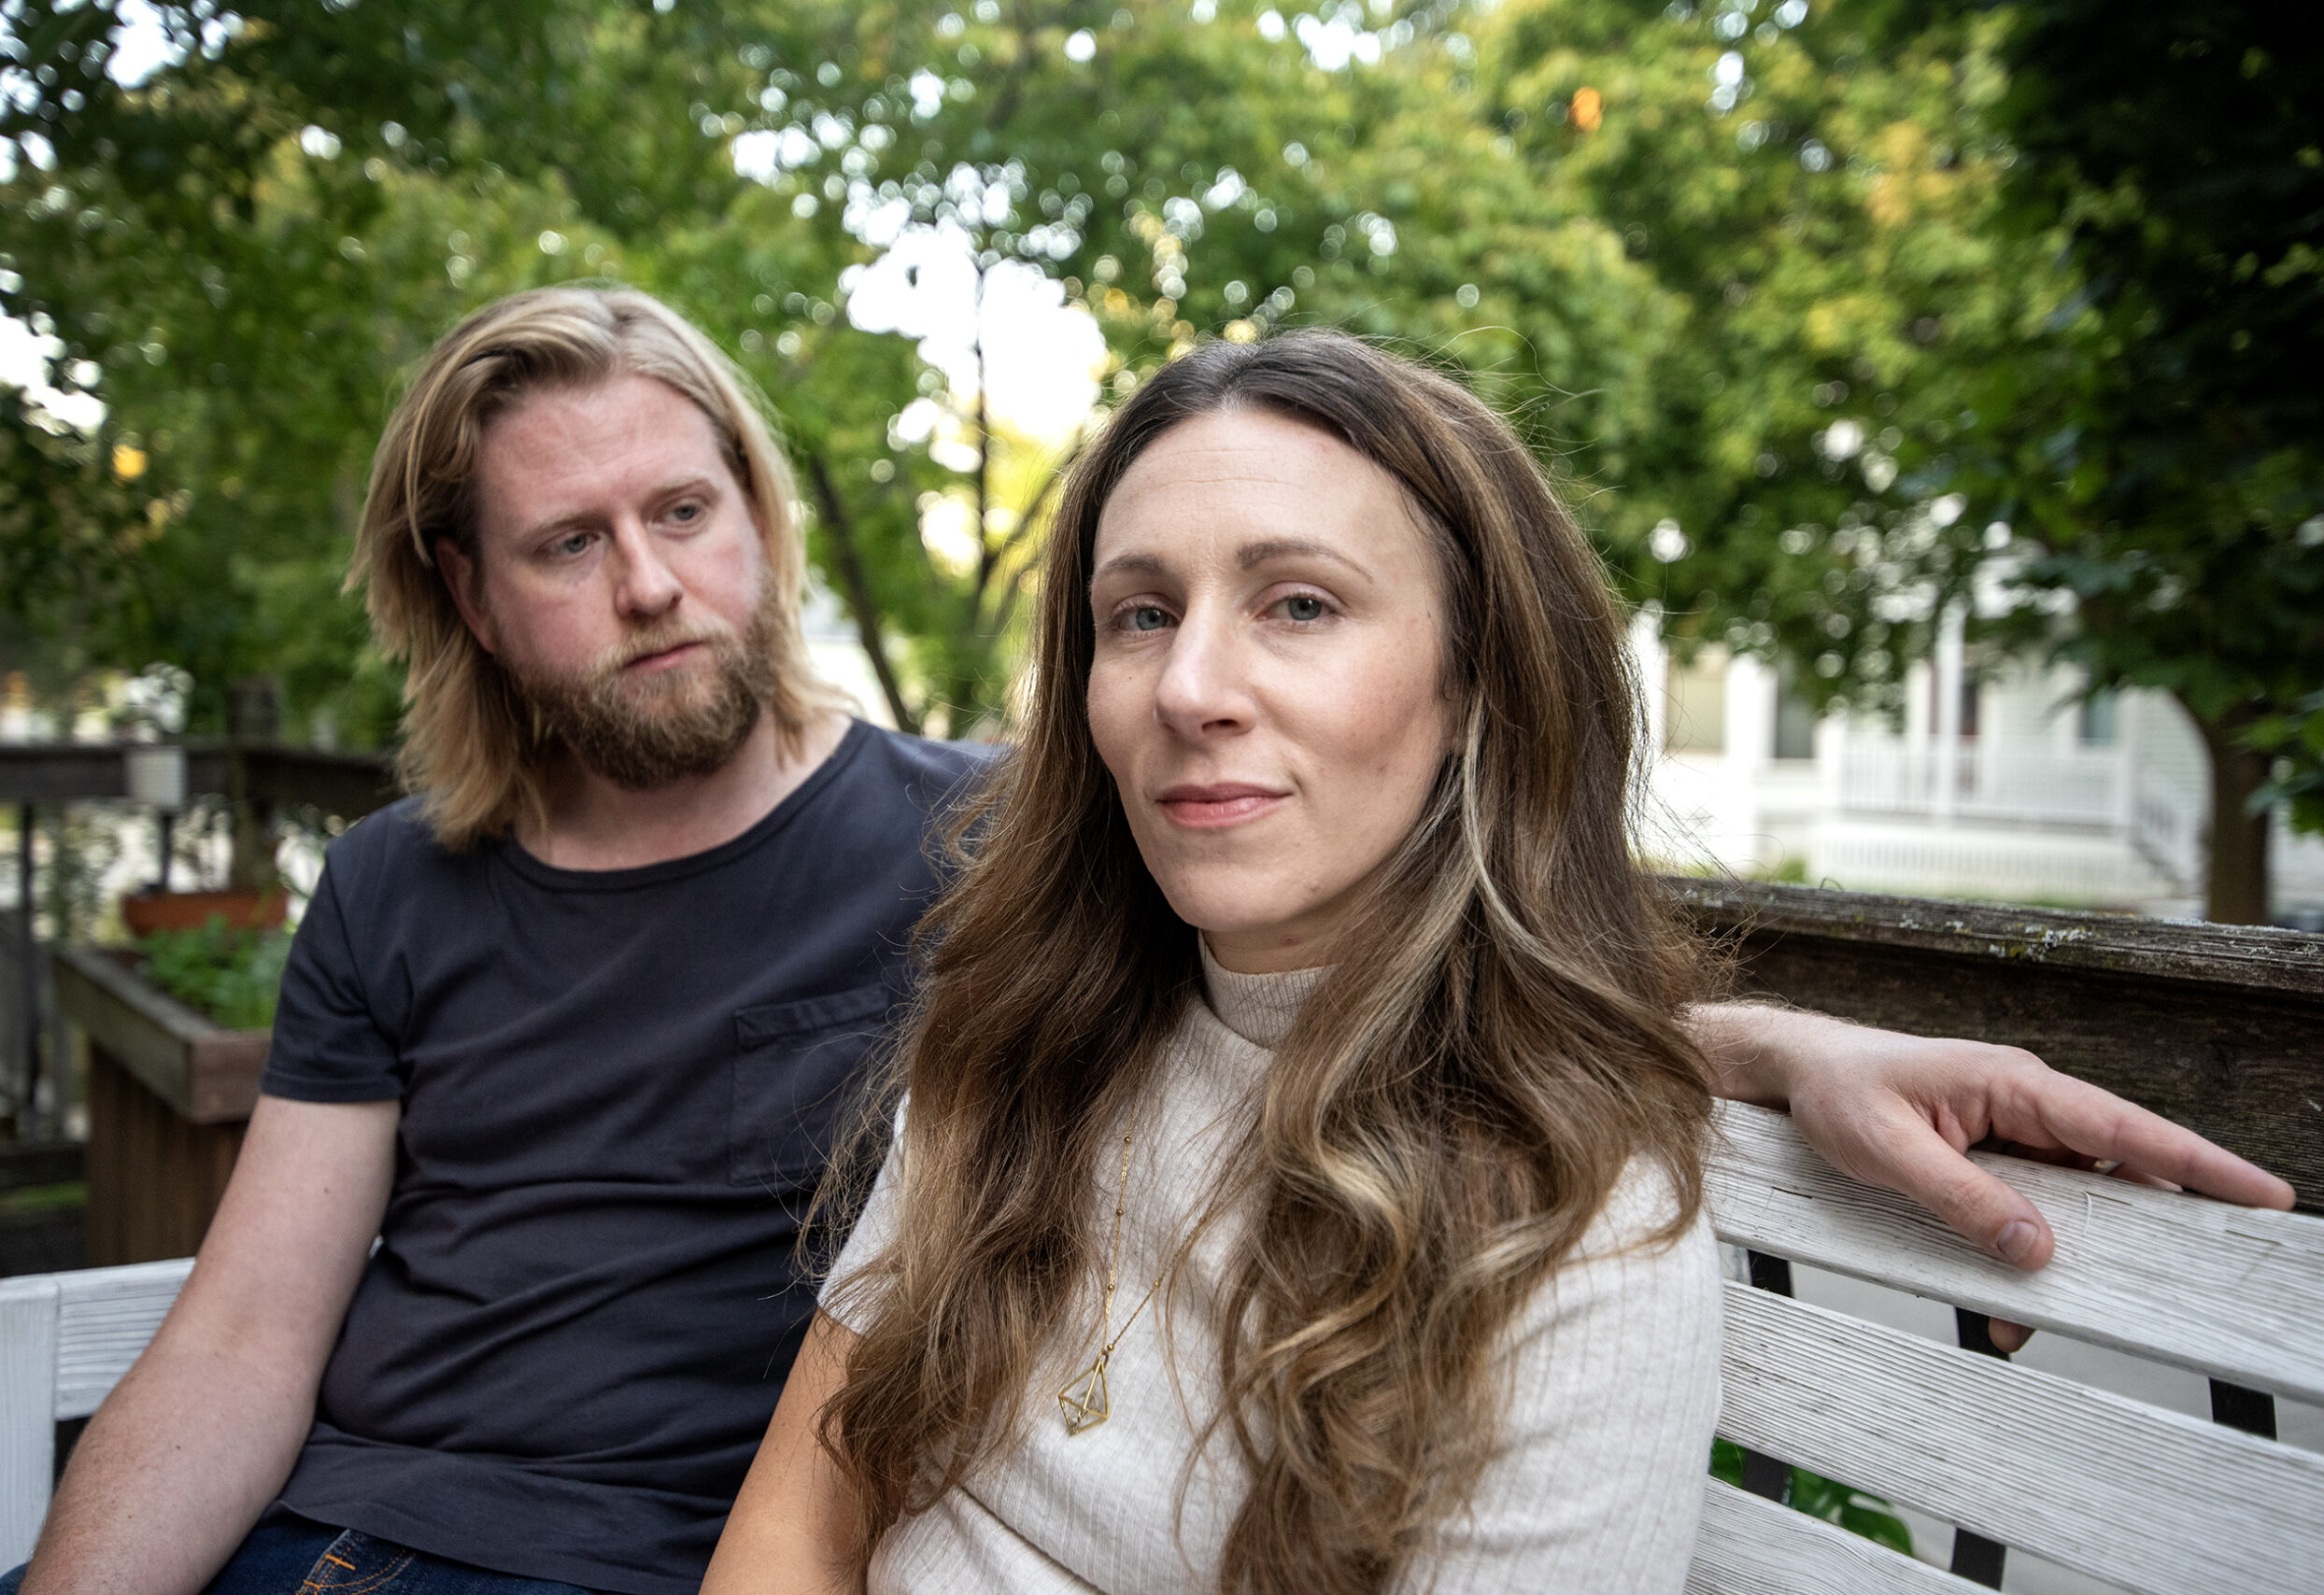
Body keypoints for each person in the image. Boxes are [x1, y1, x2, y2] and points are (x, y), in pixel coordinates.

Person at [3, 292, 2292, 1595]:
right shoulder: (420, 885)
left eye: (684, 510)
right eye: (568, 542)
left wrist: (1752, 1037)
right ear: (468, 599)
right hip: (336, 1525)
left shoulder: (963, 850)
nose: (646, 580)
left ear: (759, 525)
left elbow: (1373, 943)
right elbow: (241, 1330)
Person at [705, 330, 2298, 1595]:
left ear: (1474, 690)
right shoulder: (1015, 1044)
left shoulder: (1566, 1220)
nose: (1192, 683)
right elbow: (803, 1520)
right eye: (1139, 615)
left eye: (1300, 603)